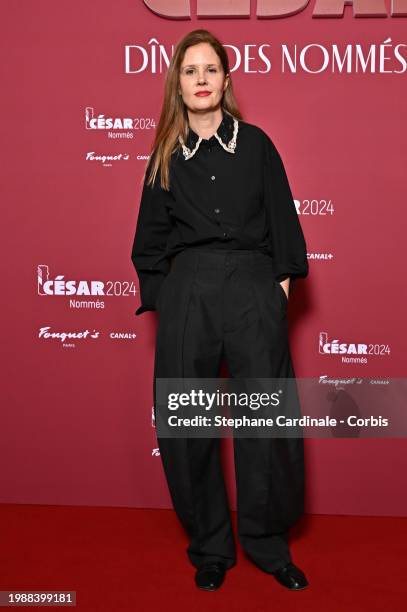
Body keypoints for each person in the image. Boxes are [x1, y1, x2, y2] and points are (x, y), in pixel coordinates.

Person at [131, 29, 309, 592]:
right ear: (177, 85)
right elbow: (148, 244)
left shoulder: (256, 145)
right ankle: (210, 545)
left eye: (210, 70)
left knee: (268, 420)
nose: (201, 80)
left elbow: (285, 227)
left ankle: (266, 543)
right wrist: (174, 303)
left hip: (253, 284)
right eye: (190, 71)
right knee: (188, 426)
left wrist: (274, 292)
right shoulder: (164, 157)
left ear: (226, 80)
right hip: (190, 292)